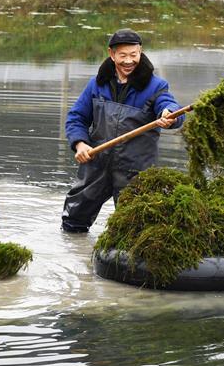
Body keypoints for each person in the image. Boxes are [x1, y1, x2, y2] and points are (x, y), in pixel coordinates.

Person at [61, 28, 185, 233]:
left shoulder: (156, 86)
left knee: (136, 228)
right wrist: (79, 143)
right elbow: (77, 118)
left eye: (133, 55)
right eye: (123, 56)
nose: (129, 61)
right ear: (111, 54)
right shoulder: (96, 85)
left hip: (135, 170)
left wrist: (168, 115)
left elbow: (171, 106)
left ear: (141, 52)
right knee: (72, 224)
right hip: (96, 164)